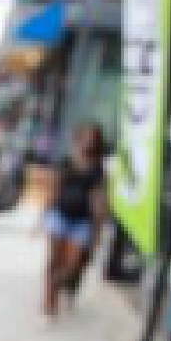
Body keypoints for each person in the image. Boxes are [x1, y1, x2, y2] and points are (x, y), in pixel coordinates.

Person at [44, 122, 108, 319]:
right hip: (60, 215)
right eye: (86, 136)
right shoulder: (67, 161)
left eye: (93, 138)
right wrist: (44, 215)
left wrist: (97, 230)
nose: (89, 141)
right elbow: (54, 187)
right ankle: (49, 302)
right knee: (54, 260)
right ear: (79, 137)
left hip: (82, 221)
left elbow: (98, 199)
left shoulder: (98, 168)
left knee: (72, 265)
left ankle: (53, 288)